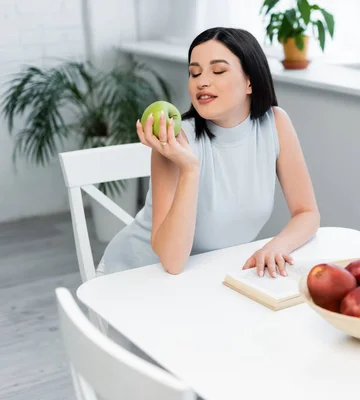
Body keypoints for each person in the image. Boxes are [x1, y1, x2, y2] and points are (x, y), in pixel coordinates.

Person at [98, 27, 320, 278]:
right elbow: (172, 262)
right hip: (136, 276)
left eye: (218, 70)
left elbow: (307, 213)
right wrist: (190, 169)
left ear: (250, 81)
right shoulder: (175, 139)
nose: (202, 81)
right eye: (194, 73)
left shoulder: (275, 123)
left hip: (210, 275)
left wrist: (275, 247)